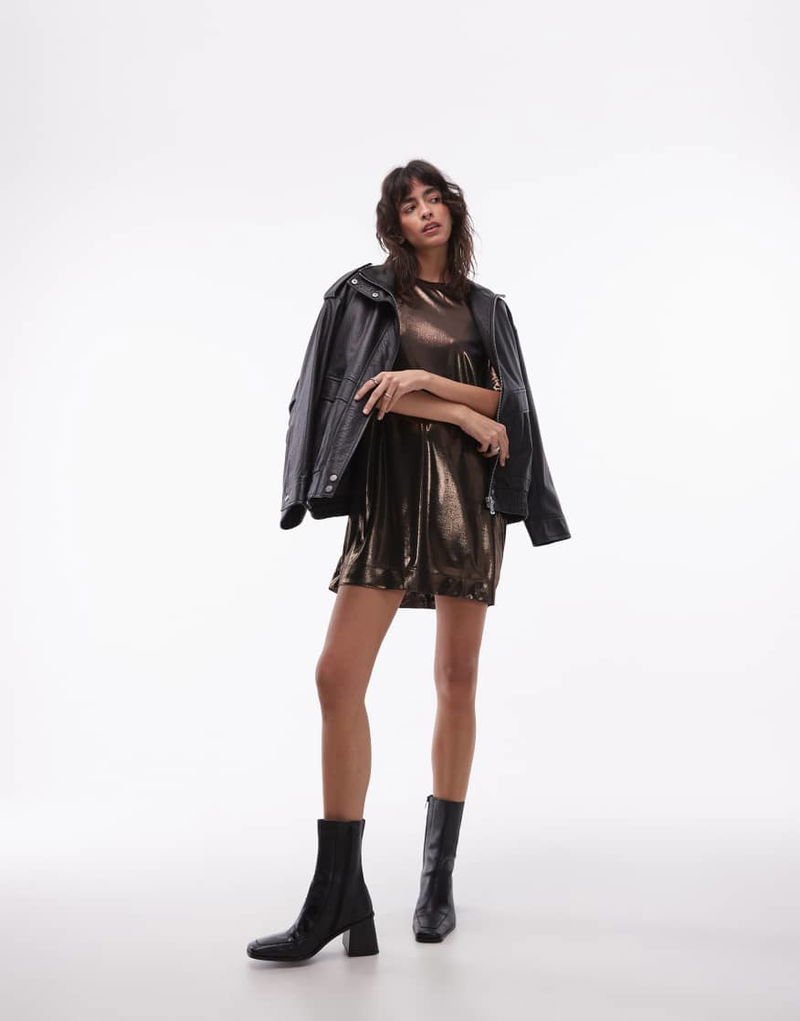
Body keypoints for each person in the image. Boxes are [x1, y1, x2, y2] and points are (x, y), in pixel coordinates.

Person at [247, 159, 570, 962]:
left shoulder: (487, 308)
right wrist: (462, 413)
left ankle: (435, 882)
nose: (425, 211)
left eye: (435, 198)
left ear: (453, 211)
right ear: (392, 222)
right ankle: (339, 893)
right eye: (408, 204)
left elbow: (514, 406)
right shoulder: (365, 296)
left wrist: (430, 382)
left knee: (457, 677)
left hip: (469, 502)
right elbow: (364, 391)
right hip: (389, 496)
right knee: (336, 677)